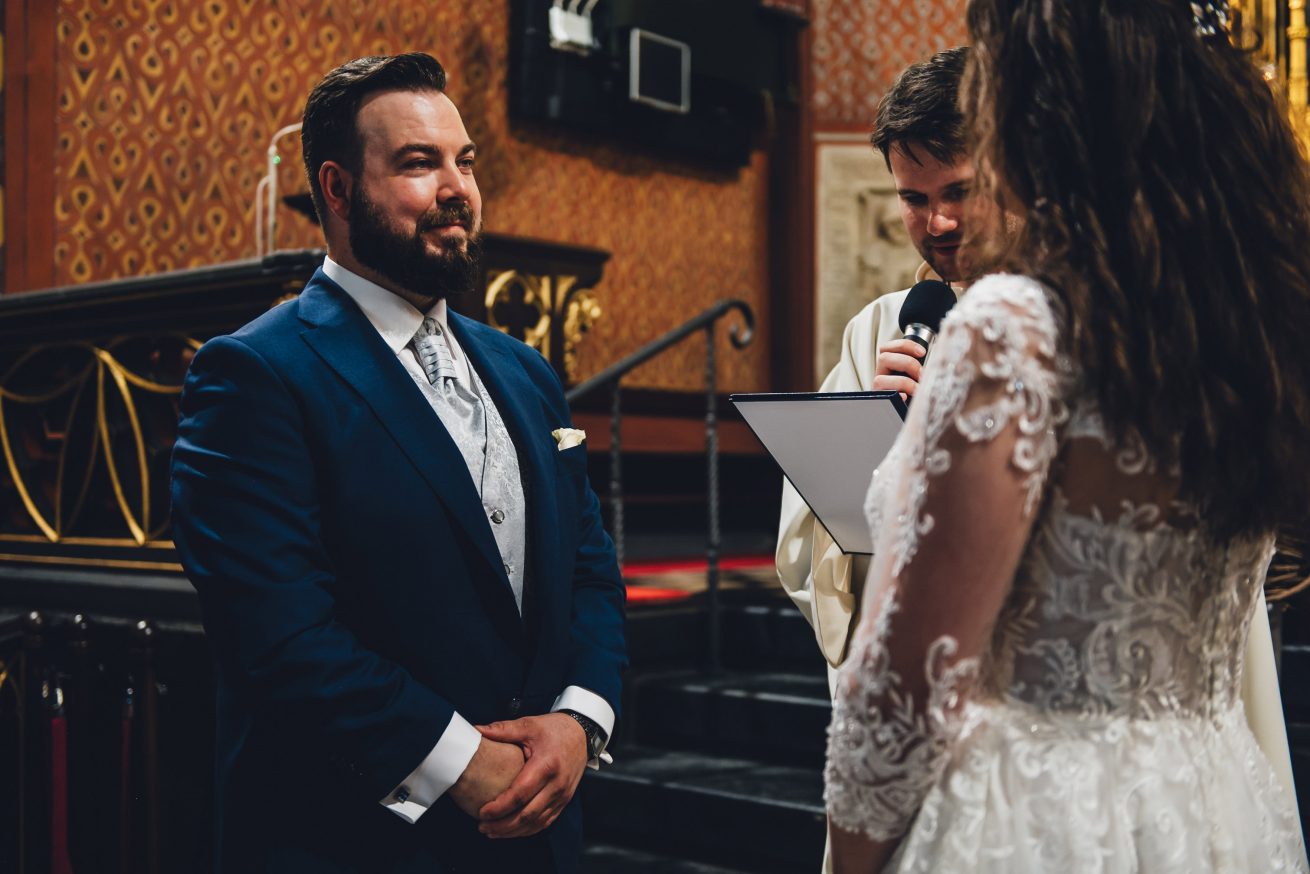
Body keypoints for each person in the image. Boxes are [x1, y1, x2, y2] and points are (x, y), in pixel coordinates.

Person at [823, 2, 1310, 871]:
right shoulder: (1247, 329)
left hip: (1034, 813)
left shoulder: (1014, 328)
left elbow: (906, 691)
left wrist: (853, 860)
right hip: (1207, 802)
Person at [170, 53, 626, 873]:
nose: (458, 189)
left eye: (465, 162)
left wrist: (579, 721)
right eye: (420, 163)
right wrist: (461, 762)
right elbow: (279, 635)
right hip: (355, 837)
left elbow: (588, 570)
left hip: (540, 831)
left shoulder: (525, 372)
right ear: (338, 189)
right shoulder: (255, 374)